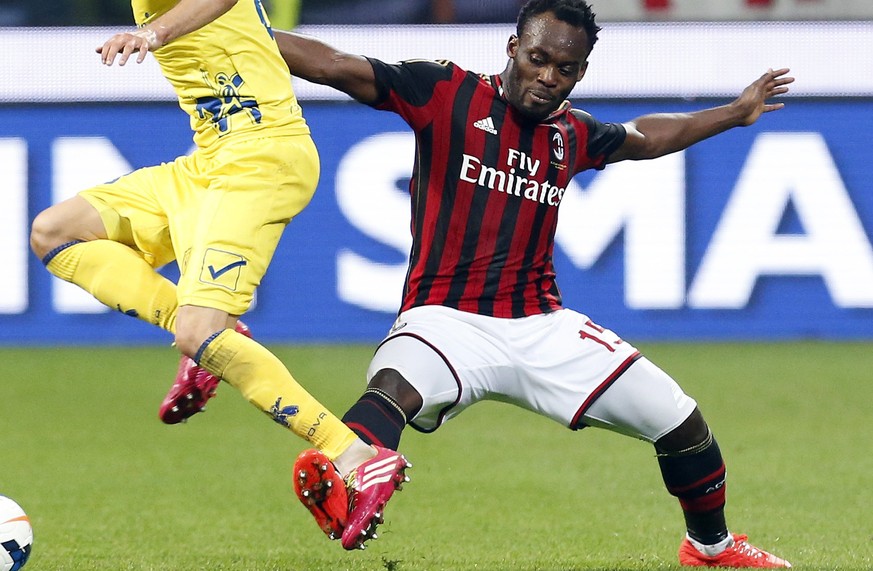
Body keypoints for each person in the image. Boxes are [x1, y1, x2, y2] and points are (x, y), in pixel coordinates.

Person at [267, 0, 797, 565]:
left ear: (581, 73)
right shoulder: (445, 91)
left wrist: (734, 112)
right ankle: (344, 485)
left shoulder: (572, 133)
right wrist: (233, 27)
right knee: (393, 389)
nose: (547, 78)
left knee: (679, 418)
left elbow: (644, 137)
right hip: (444, 321)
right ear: (513, 48)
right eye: (538, 59)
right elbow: (335, 65)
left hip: (542, 326)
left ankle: (710, 548)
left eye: (564, 69)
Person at [28, 0, 409, 551]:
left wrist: (153, 33)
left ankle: (356, 456)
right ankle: (209, 340)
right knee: (55, 232)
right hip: (208, 160)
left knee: (200, 331)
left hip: (262, 155)